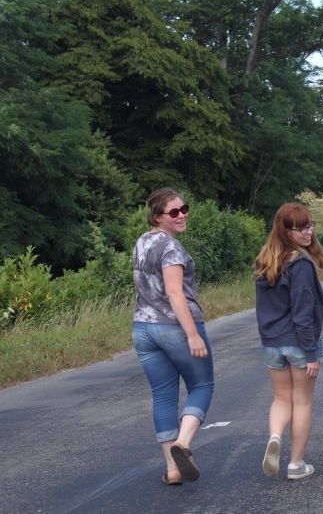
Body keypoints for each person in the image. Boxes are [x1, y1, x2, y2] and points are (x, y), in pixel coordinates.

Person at [132, 187, 214, 486]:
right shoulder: (171, 248)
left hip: (143, 328)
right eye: (174, 212)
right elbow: (175, 292)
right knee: (202, 385)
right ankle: (183, 443)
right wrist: (192, 334)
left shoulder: (142, 242)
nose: (182, 215)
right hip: (175, 328)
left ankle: (173, 469)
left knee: (164, 395)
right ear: (157, 217)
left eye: (184, 208)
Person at [254, 202, 323, 480]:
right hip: (299, 343)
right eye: (301, 228)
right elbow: (303, 313)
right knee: (303, 402)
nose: (308, 232)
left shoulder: (265, 261)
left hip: (272, 343)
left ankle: (275, 436)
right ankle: (296, 464)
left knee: (281, 398)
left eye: (310, 225)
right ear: (286, 231)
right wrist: (311, 353)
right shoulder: (300, 265)